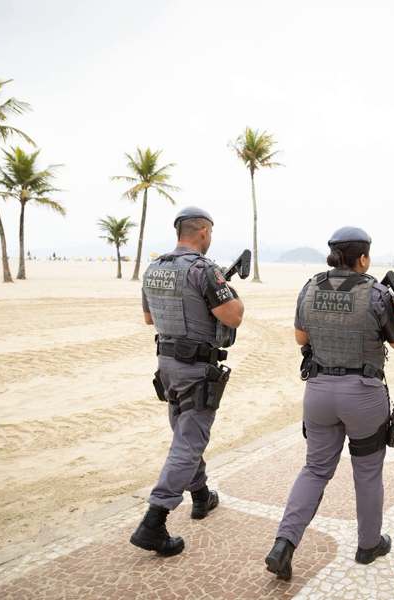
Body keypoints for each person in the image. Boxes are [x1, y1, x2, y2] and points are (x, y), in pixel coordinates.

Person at [265, 226, 394, 580]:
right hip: (362, 394)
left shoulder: (310, 286)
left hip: (318, 392)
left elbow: (301, 336)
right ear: (363, 258)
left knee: (315, 470)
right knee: (367, 471)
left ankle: (283, 544)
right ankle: (368, 545)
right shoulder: (377, 293)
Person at [129, 206, 245, 556]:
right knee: (189, 442)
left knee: (184, 435)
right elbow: (234, 317)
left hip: (166, 363)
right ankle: (155, 520)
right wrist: (226, 292)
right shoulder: (204, 270)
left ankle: (200, 496)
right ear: (204, 233)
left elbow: (150, 318)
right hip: (196, 367)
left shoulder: (155, 268)